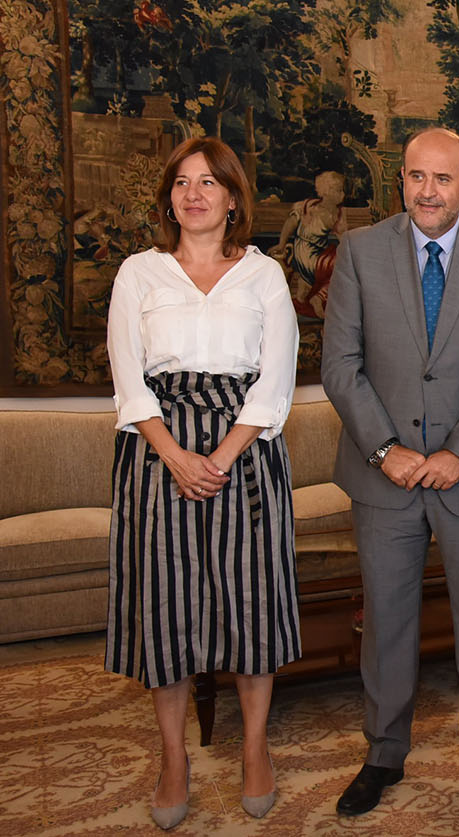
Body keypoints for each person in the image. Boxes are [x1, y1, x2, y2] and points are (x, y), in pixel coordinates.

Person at [321, 126, 459, 816]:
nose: (428, 191)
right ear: (402, 181)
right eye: (417, 177)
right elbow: (340, 365)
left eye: (443, 179)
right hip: (382, 477)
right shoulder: (358, 251)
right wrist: (386, 450)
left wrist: (457, 453)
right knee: (386, 622)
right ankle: (382, 753)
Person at [105, 136, 300, 829]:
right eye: (182, 183)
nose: (194, 193)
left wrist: (219, 456)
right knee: (166, 612)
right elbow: (128, 377)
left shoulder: (264, 276)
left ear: (232, 198)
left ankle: (253, 748)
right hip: (157, 460)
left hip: (244, 454)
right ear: (169, 199)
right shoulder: (139, 274)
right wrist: (176, 456)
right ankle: (173, 757)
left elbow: (275, 380)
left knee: (250, 604)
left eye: (209, 182)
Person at [270, 170, 348, 318]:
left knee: (343, 262)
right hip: (305, 251)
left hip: (318, 253)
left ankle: (316, 298)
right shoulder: (307, 206)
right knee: (338, 263)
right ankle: (318, 298)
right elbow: (290, 224)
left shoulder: (337, 213)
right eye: (338, 190)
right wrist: (281, 244)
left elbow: (344, 239)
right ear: (327, 191)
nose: (342, 194)